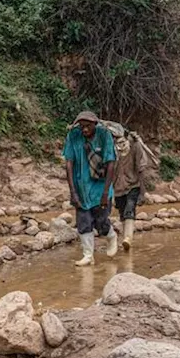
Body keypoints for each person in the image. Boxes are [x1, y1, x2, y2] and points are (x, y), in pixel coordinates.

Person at [63, 111, 118, 266]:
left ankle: (111, 236)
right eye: (81, 126)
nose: (84, 130)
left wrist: (106, 192)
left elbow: (111, 163)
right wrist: (73, 192)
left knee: (101, 221)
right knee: (83, 221)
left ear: (95, 124)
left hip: (100, 187)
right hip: (81, 187)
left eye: (87, 126)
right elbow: (69, 163)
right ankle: (88, 255)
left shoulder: (104, 135)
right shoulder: (73, 136)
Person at [108, 122, 150, 252]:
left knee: (129, 209)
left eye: (122, 142)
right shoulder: (112, 150)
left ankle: (128, 238)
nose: (120, 146)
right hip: (118, 187)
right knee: (122, 214)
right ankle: (126, 238)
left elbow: (141, 168)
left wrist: (143, 192)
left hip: (133, 185)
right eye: (117, 143)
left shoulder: (136, 146)